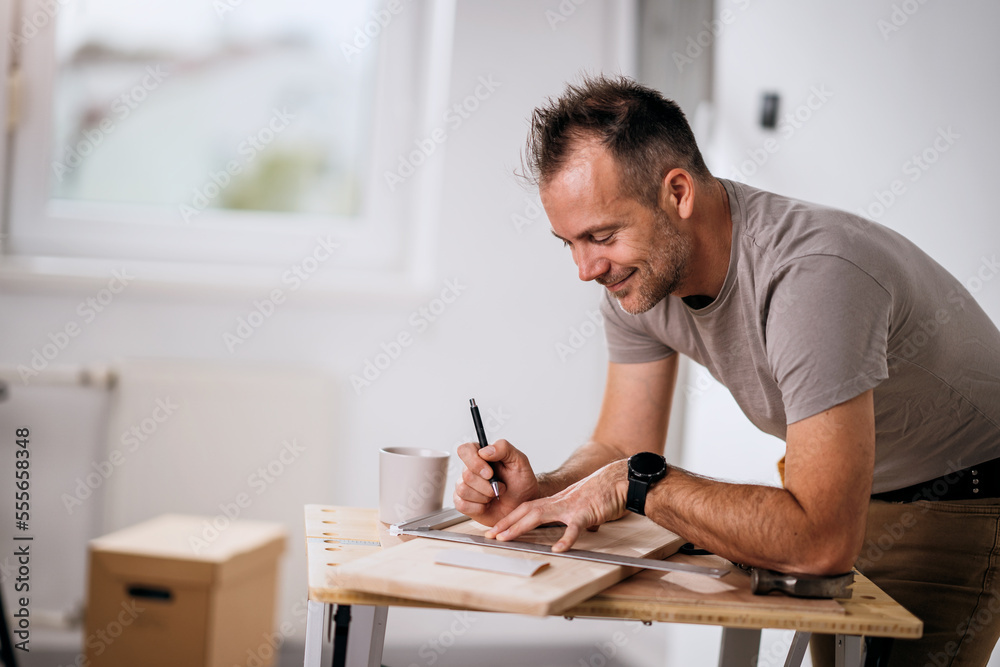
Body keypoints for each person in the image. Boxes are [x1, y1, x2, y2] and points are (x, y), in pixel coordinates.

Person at [453, 75, 1000, 667]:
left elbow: (819, 539)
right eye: (569, 244)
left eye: (601, 235)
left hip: (962, 489)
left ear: (678, 193)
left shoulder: (812, 276)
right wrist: (548, 493)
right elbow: (620, 446)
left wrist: (634, 482)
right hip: (850, 495)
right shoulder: (637, 278)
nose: (587, 269)